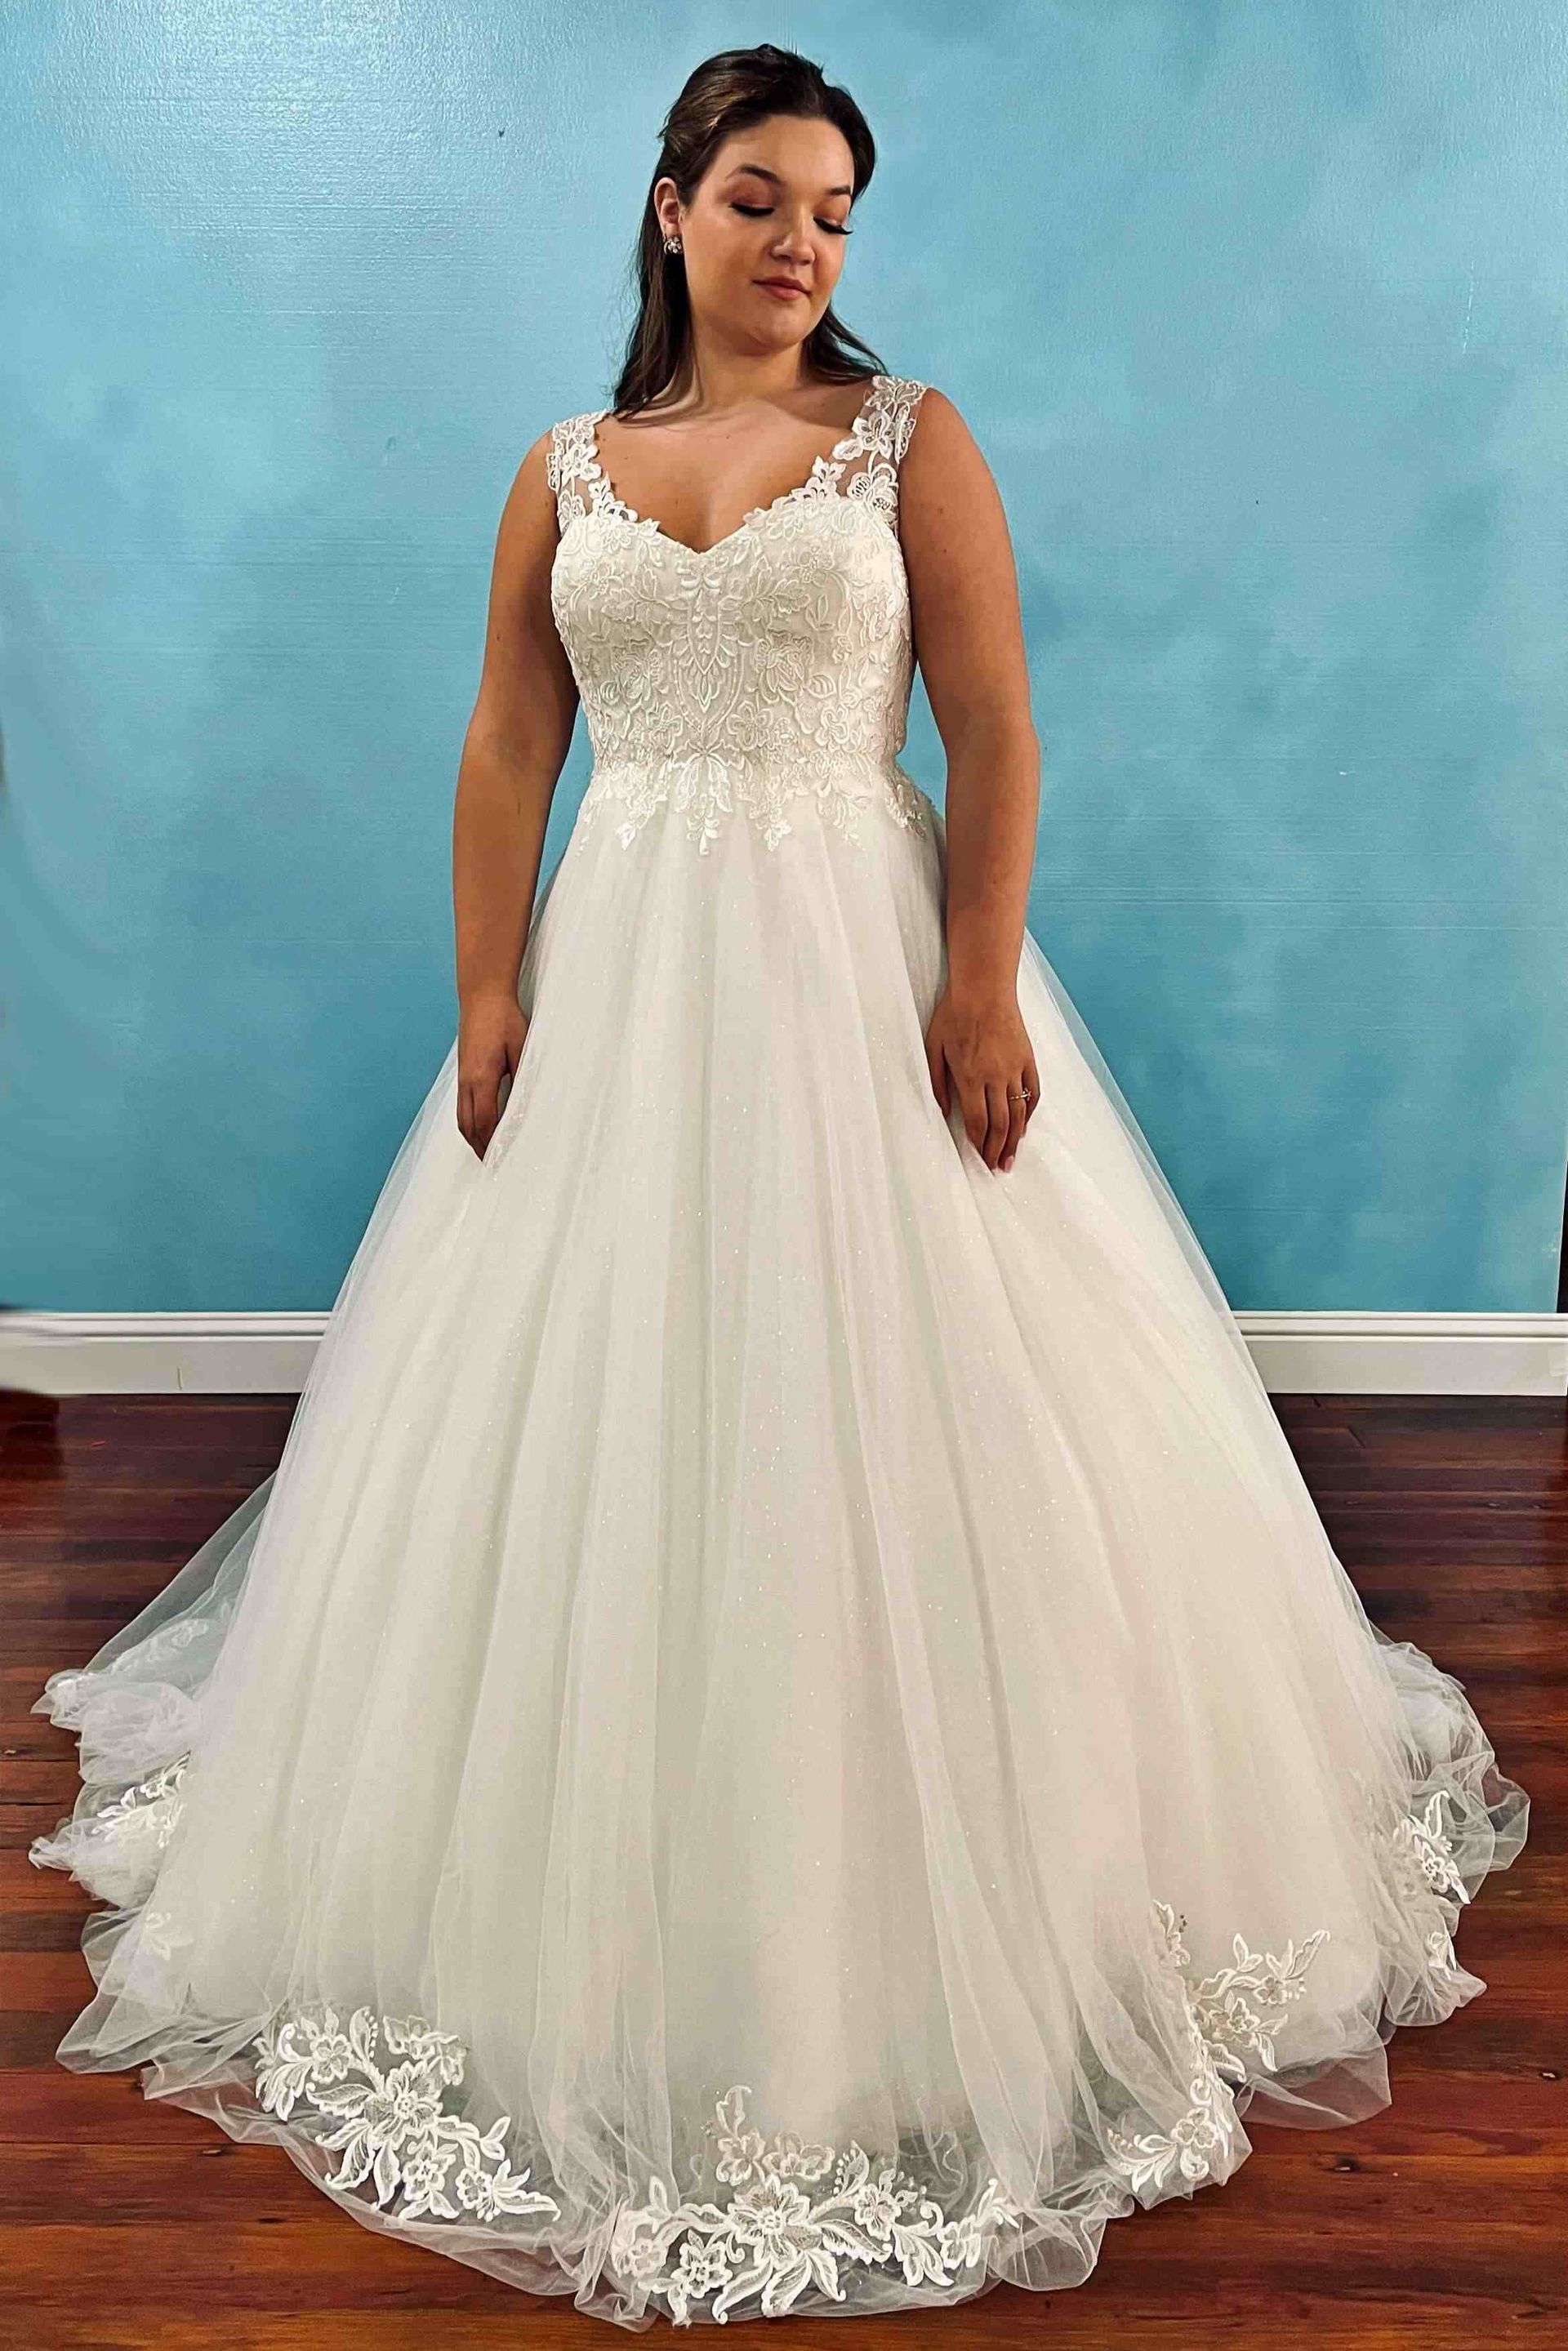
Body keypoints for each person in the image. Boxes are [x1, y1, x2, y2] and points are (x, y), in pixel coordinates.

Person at [30, 40, 1528, 2335]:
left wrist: (985, 982)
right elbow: (507, 738)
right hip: (625, 970)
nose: (800, 240)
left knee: (921, 1417)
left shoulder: (908, 441)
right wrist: (487, 990)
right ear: (667, 209)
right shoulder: (564, 471)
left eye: (832, 207)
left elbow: (1001, 723)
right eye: (757, 197)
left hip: (862, 956)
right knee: (608, 1427)